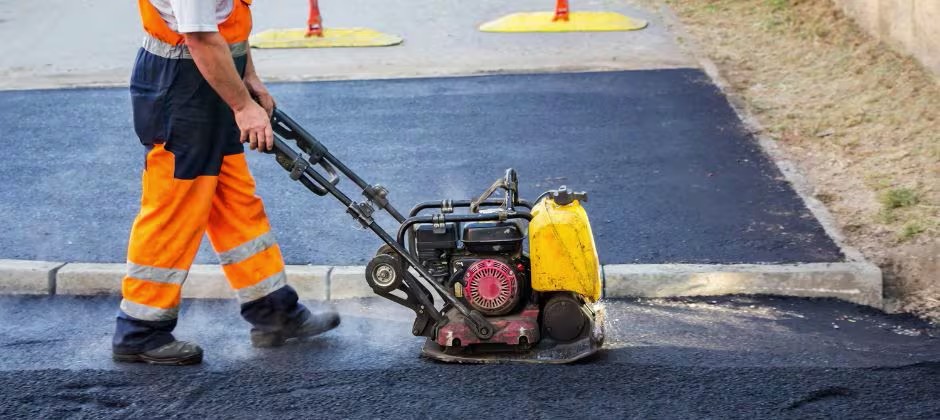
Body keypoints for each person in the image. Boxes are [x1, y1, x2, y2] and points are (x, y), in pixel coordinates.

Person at [112, 0, 339, 366]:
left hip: (213, 79)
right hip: (180, 88)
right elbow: (200, 36)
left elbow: (227, 24)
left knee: (236, 203)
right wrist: (243, 106)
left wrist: (248, 77)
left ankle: (273, 311)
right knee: (174, 209)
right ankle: (139, 329)